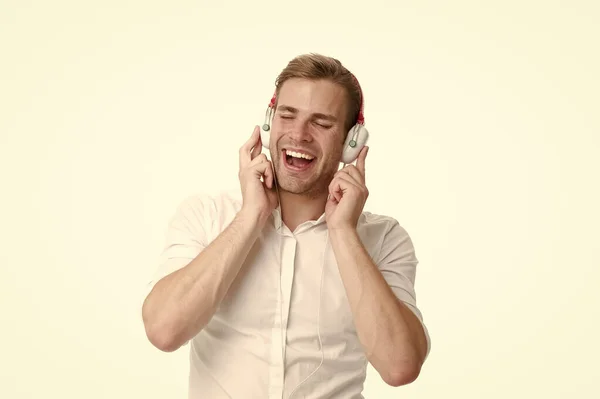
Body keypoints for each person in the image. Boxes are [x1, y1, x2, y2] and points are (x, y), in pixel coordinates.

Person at [141, 53, 431, 399]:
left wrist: (343, 232)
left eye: (321, 123)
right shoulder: (206, 215)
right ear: (269, 123)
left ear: (351, 142)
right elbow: (163, 330)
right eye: (287, 115)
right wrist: (251, 217)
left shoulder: (384, 239)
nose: (298, 134)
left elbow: (400, 366)